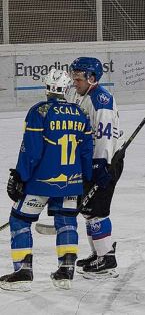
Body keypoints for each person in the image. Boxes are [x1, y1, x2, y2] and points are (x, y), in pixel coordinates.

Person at [0, 69, 93, 291]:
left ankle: (23, 271)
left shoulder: (39, 111)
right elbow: (86, 152)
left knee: (19, 220)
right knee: (67, 222)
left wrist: (20, 175)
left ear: (47, 87)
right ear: (66, 88)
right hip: (71, 182)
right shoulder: (80, 113)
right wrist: (86, 180)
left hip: (40, 182)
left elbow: (31, 150)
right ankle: (66, 271)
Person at [68, 57, 122, 279]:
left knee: (97, 210)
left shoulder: (101, 100)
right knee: (88, 210)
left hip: (106, 162)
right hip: (90, 161)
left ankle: (107, 259)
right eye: (73, 78)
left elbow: (104, 137)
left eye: (78, 79)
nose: (74, 82)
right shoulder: (79, 94)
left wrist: (101, 166)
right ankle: (97, 253)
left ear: (91, 78)